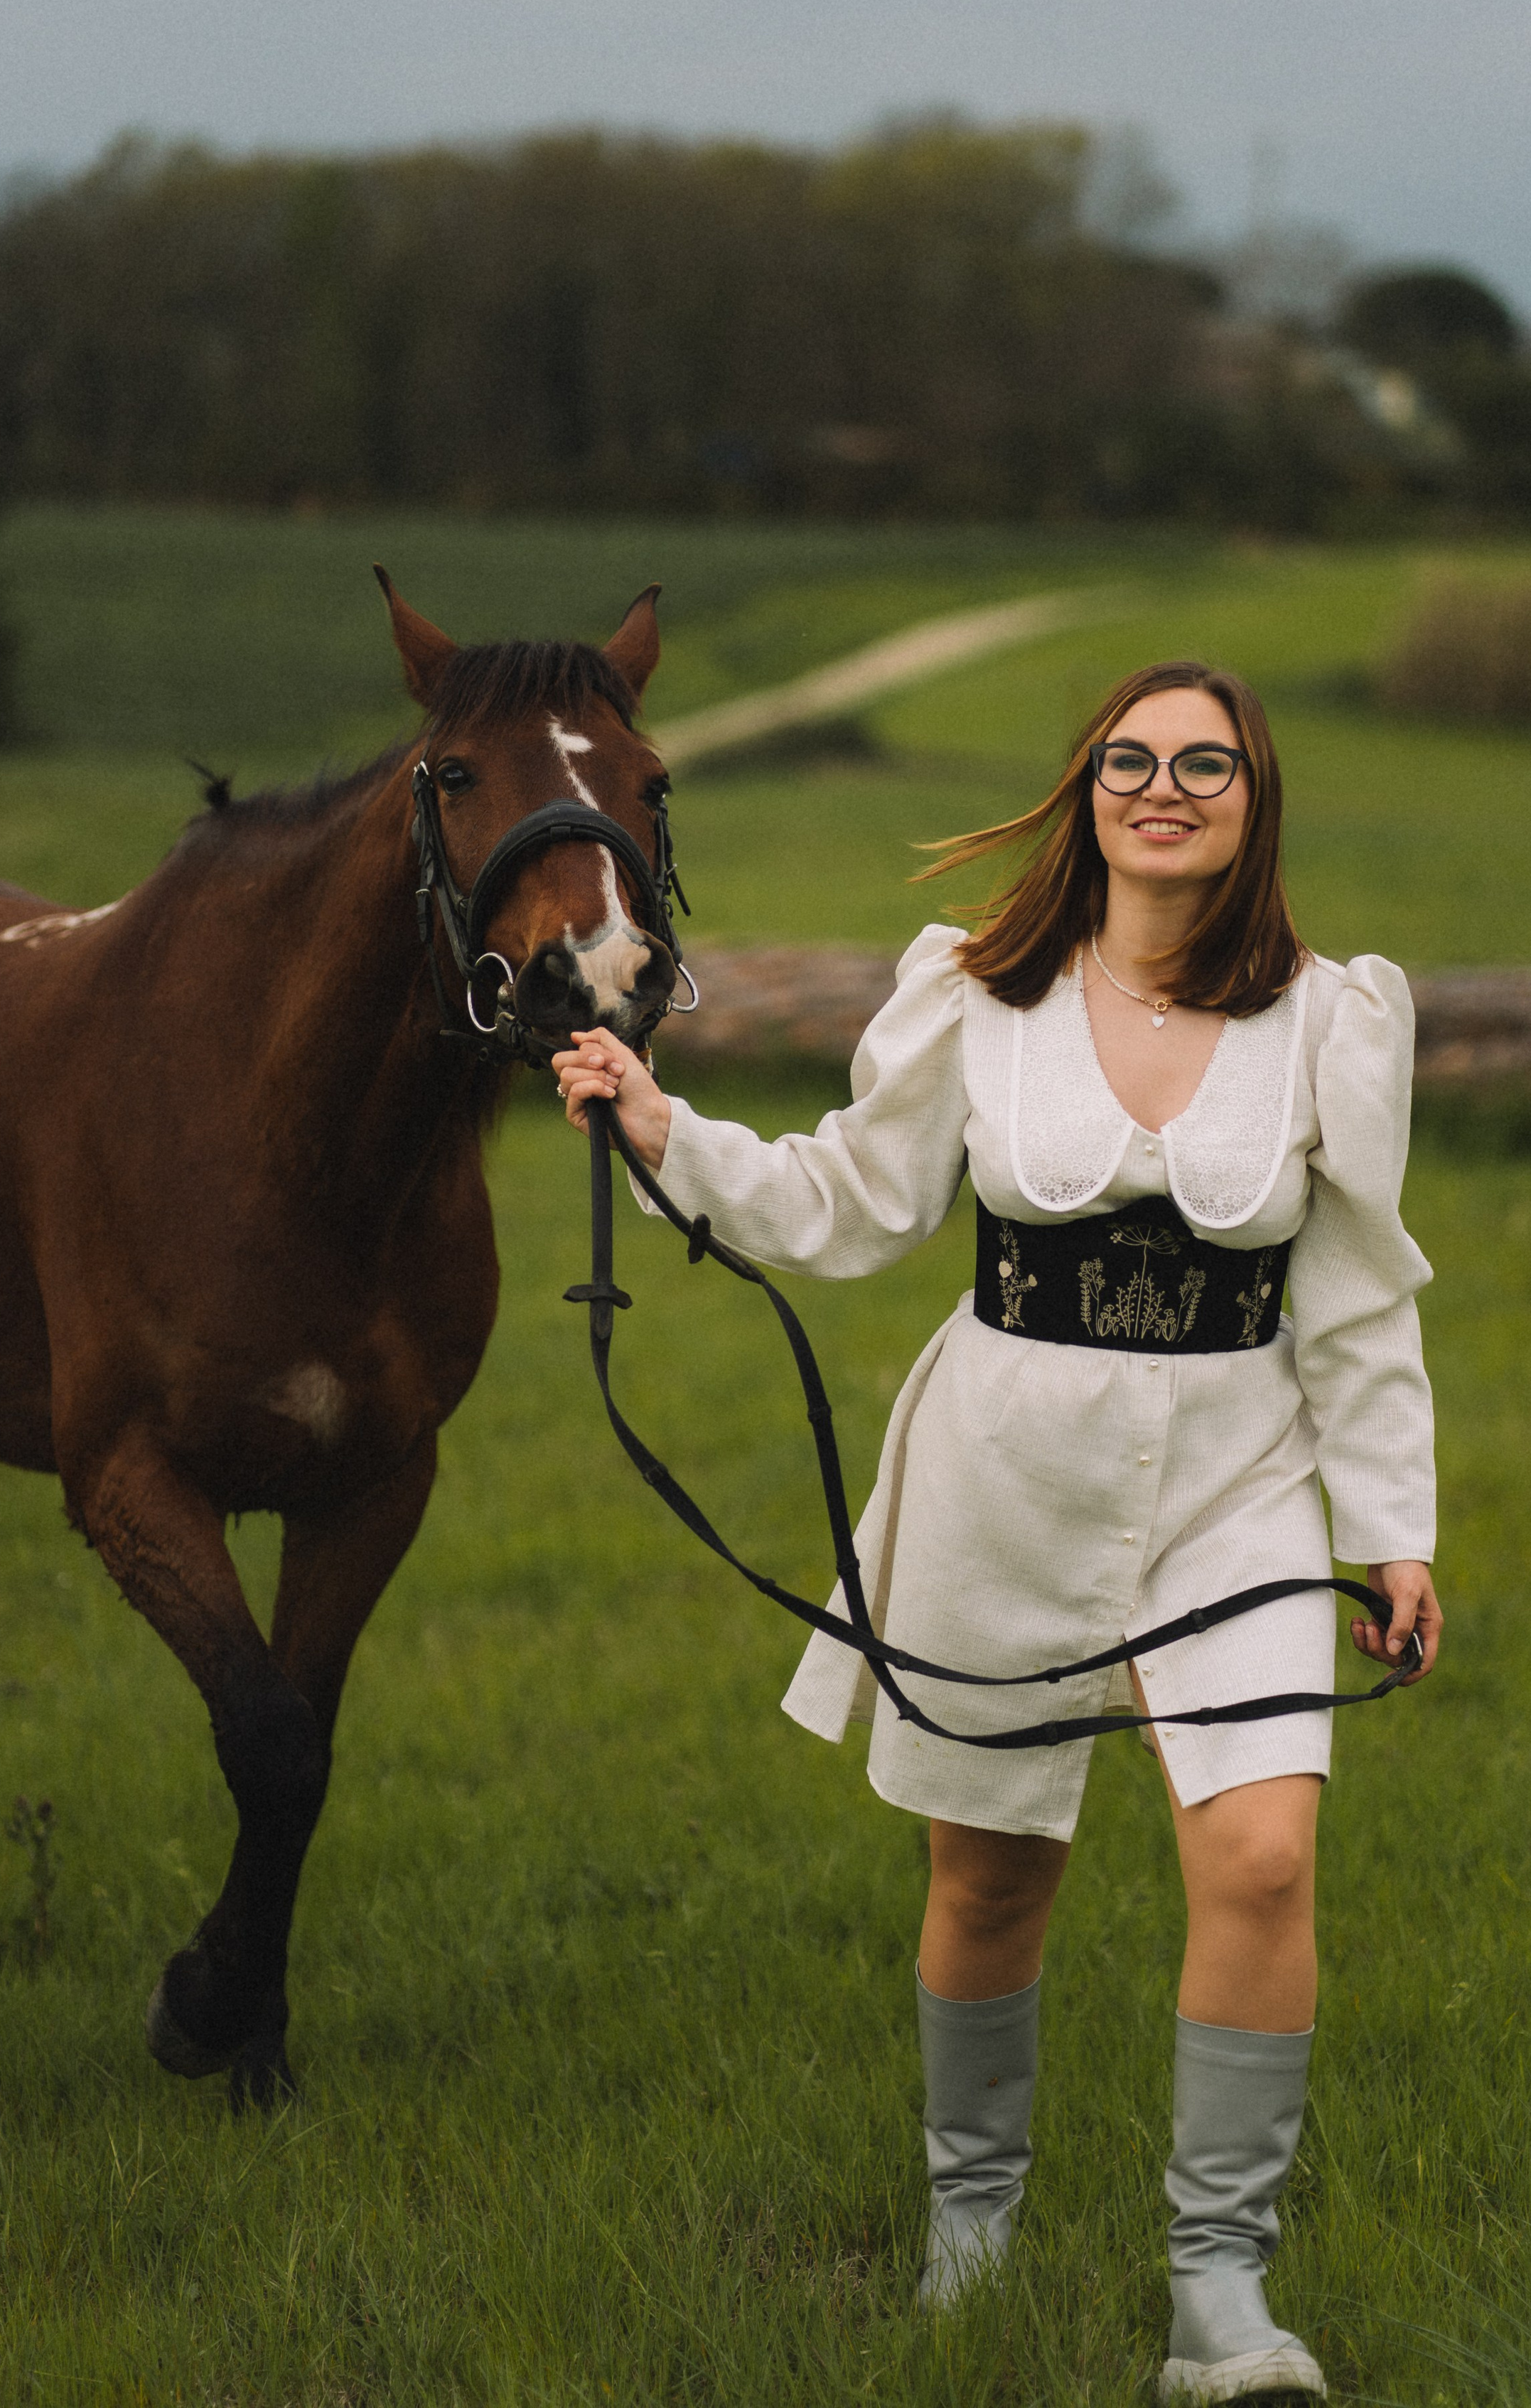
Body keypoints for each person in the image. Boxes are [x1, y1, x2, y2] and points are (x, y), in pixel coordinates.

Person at [553, 658, 1441, 2405]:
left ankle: (1218, 2298)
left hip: (1236, 1482)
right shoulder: (976, 993)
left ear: (1253, 802)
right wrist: (667, 1129)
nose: (1162, 785)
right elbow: (850, 1200)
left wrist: (1392, 1528)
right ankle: (972, 2226)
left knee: (1259, 1859)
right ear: (1086, 787)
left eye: (1204, 763)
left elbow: (1351, 1303)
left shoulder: (1327, 1021)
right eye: (1129, 758)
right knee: (989, 1872)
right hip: (999, 1477)